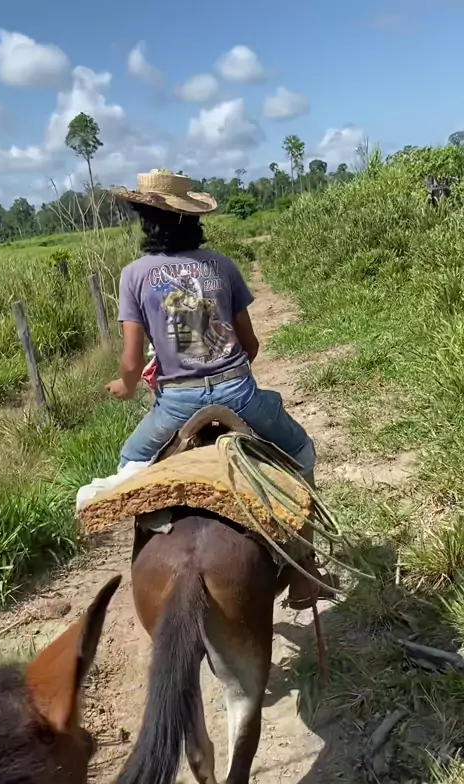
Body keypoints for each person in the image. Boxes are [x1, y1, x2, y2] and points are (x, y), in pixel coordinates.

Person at [106, 169, 335, 609]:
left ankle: (152, 532)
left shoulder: (134, 275)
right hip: (238, 394)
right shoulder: (222, 266)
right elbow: (251, 344)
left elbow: (132, 361)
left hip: (176, 403)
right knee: (300, 452)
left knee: (131, 461)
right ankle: (304, 570)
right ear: (192, 218)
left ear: (146, 221)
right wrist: (225, 374)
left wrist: (126, 385)